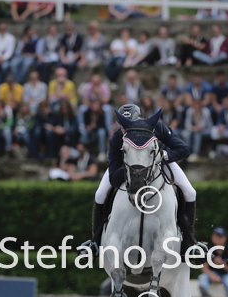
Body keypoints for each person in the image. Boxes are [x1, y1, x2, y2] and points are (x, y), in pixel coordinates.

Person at [79, 103, 202, 258]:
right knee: (100, 194)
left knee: (190, 192)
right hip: (128, 167)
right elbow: (114, 178)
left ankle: (189, 243)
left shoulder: (158, 127)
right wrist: (131, 169)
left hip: (158, 162)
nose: (125, 130)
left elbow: (183, 149)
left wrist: (162, 156)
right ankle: (95, 242)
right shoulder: (117, 138)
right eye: (123, 126)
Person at [198, 227, 228, 297]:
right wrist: (212, 276)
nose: (218, 239)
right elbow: (204, 268)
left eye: (220, 237)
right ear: (212, 237)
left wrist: (222, 264)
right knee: (202, 278)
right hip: (213, 273)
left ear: (225, 238)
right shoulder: (207, 249)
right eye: (216, 236)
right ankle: (205, 295)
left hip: (227, 274)